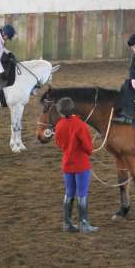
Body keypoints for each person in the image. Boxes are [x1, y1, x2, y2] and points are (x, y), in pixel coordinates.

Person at [54, 97, 98, 233]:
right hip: (81, 164)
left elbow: (59, 144)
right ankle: (84, 223)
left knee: (69, 193)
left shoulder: (59, 125)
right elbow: (88, 148)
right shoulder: (80, 125)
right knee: (82, 193)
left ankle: (67, 223)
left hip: (67, 163)